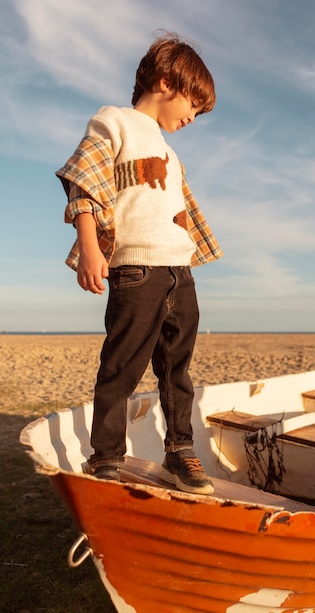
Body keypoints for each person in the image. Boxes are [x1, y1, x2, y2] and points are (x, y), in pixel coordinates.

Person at [56, 32, 222, 494]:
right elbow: (84, 183)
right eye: (194, 103)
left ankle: (180, 452)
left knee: (177, 369)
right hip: (137, 270)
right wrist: (91, 248)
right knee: (122, 367)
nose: (194, 116)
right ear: (167, 82)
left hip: (178, 271)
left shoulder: (170, 150)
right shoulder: (115, 121)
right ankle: (107, 459)